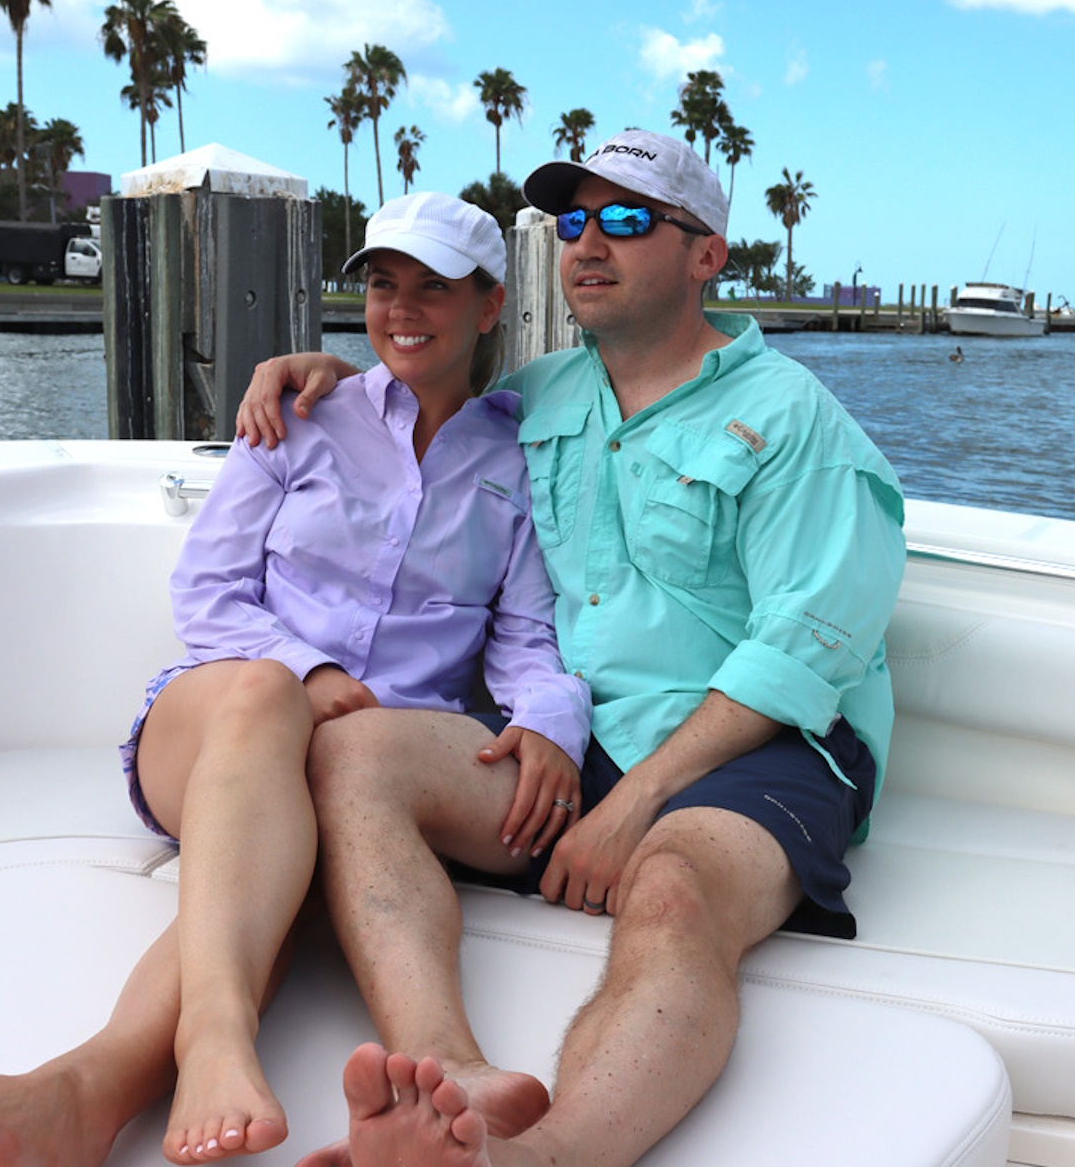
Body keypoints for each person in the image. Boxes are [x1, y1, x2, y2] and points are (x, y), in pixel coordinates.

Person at [0, 191, 591, 1167]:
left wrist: (549, 719)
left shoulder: (518, 458)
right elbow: (205, 591)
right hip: (221, 726)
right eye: (384, 285)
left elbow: (526, 635)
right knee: (265, 693)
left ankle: (82, 1093)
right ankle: (214, 1038)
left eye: (434, 288)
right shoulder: (299, 415)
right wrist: (310, 670)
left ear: (491, 305)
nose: (402, 309)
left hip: (367, 762)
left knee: (291, 850)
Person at [236, 130, 907, 1167]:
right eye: (574, 221)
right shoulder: (540, 394)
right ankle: (449, 1076)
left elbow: (804, 650)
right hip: (576, 733)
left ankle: (538, 1160)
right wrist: (319, 373)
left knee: (673, 889)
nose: (590, 243)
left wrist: (634, 805)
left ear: (706, 255)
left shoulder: (795, 422)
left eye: (628, 219)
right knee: (352, 753)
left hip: (759, 748)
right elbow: (419, 382)